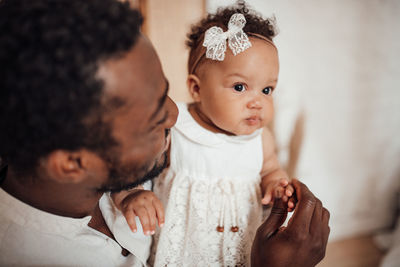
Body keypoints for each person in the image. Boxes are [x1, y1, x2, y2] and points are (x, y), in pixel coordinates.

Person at [0, 0, 329, 266]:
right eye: (153, 113)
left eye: (165, 94)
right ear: (73, 162)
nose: (176, 115)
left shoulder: (109, 172)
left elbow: (269, 168)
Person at [112, 3, 312, 266]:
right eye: (240, 87)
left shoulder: (260, 139)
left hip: (239, 246)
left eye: (267, 90)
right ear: (197, 88)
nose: (257, 102)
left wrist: (276, 186)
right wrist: (132, 193)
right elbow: (133, 165)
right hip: (184, 249)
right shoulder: (177, 126)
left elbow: (270, 170)